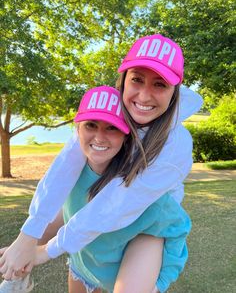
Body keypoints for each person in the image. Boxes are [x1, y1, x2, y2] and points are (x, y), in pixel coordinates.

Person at [0, 34, 203, 292]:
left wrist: (45, 252)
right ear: (123, 80)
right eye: (137, 79)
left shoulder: (176, 146)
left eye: (160, 84)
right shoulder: (109, 107)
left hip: (148, 220)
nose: (144, 95)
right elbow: (64, 168)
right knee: (56, 226)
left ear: (174, 91)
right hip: (101, 206)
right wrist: (27, 237)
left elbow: (119, 203)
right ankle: (15, 272)